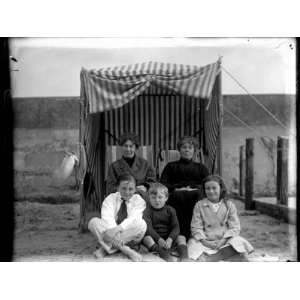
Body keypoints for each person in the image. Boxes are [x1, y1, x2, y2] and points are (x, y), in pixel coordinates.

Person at [188, 175, 254, 261]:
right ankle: (219, 256)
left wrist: (222, 241)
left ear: (221, 189)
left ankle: (210, 258)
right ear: (204, 190)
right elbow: (195, 227)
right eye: (207, 188)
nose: (211, 191)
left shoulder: (229, 205)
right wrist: (206, 242)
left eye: (214, 188)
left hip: (224, 240)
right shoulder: (199, 205)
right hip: (205, 240)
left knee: (238, 242)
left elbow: (235, 227)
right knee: (192, 244)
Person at [160, 136, 209, 253]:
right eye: (184, 147)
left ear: (194, 150)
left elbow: (208, 184)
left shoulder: (201, 168)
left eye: (190, 147)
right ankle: (179, 235)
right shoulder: (171, 166)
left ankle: (193, 235)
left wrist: (192, 188)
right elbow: (163, 184)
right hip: (176, 196)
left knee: (196, 196)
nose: (187, 150)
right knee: (179, 196)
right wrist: (178, 187)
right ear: (179, 150)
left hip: (195, 196)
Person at [88, 174, 147, 261]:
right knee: (93, 222)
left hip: (130, 234)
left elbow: (132, 219)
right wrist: (114, 232)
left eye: (131, 189)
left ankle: (105, 249)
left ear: (135, 189)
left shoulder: (139, 200)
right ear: (118, 188)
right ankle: (125, 249)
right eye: (123, 188)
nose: (127, 192)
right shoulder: (110, 199)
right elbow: (108, 219)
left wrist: (116, 230)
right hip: (111, 231)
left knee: (141, 224)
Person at [142, 183, 189, 262]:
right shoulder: (147, 211)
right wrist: (159, 239)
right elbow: (148, 228)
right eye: (153, 198)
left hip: (169, 238)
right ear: (149, 198)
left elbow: (176, 227)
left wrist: (170, 239)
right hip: (155, 238)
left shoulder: (170, 210)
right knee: (146, 239)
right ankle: (163, 253)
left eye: (160, 197)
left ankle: (184, 257)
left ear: (166, 198)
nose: (157, 200)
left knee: (181, 237)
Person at [106, 132, 156, 199]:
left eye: (131, 146)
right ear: (121, 147)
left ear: (135, 147)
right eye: (125, 146)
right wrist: (128, 190)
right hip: (122, 198)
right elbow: (110, 187)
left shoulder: (145, 164)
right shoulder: (114, 166)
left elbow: (152, 182)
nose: (128, 149)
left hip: (142, 198)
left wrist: (146, 186)